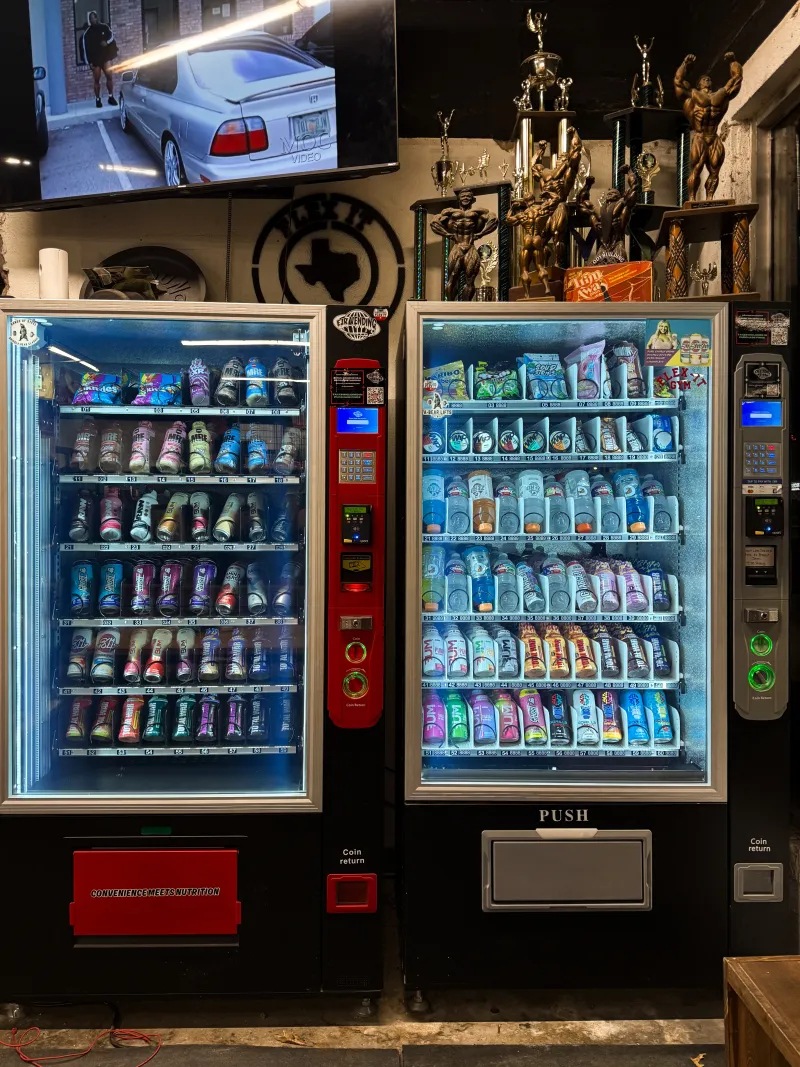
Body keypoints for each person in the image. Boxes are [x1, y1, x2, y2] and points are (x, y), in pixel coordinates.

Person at [82, 11, 119, 108]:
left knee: (109, 77)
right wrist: (89, 62)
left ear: (96, 18)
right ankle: (98, 99)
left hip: (106, 57)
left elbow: (112, 36)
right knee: (96, 80)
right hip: (95, 59)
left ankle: (111, 97)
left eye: (93, 18)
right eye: (90, 19)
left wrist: (107, 42)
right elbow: (85, 49)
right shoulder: (87, 33)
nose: (92, 20)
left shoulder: (104, 27)